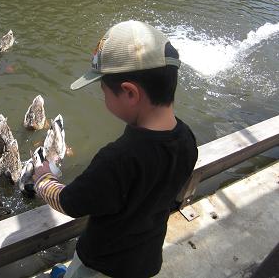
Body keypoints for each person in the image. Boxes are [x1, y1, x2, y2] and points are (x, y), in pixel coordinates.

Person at [32, 20, 198, 278]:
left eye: (103, 90)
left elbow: (70, 202)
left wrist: (44, 179)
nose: (103, 98)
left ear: (130, 93)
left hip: (102, 265)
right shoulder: (187, 138)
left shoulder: (118, 159)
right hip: (146, 258)